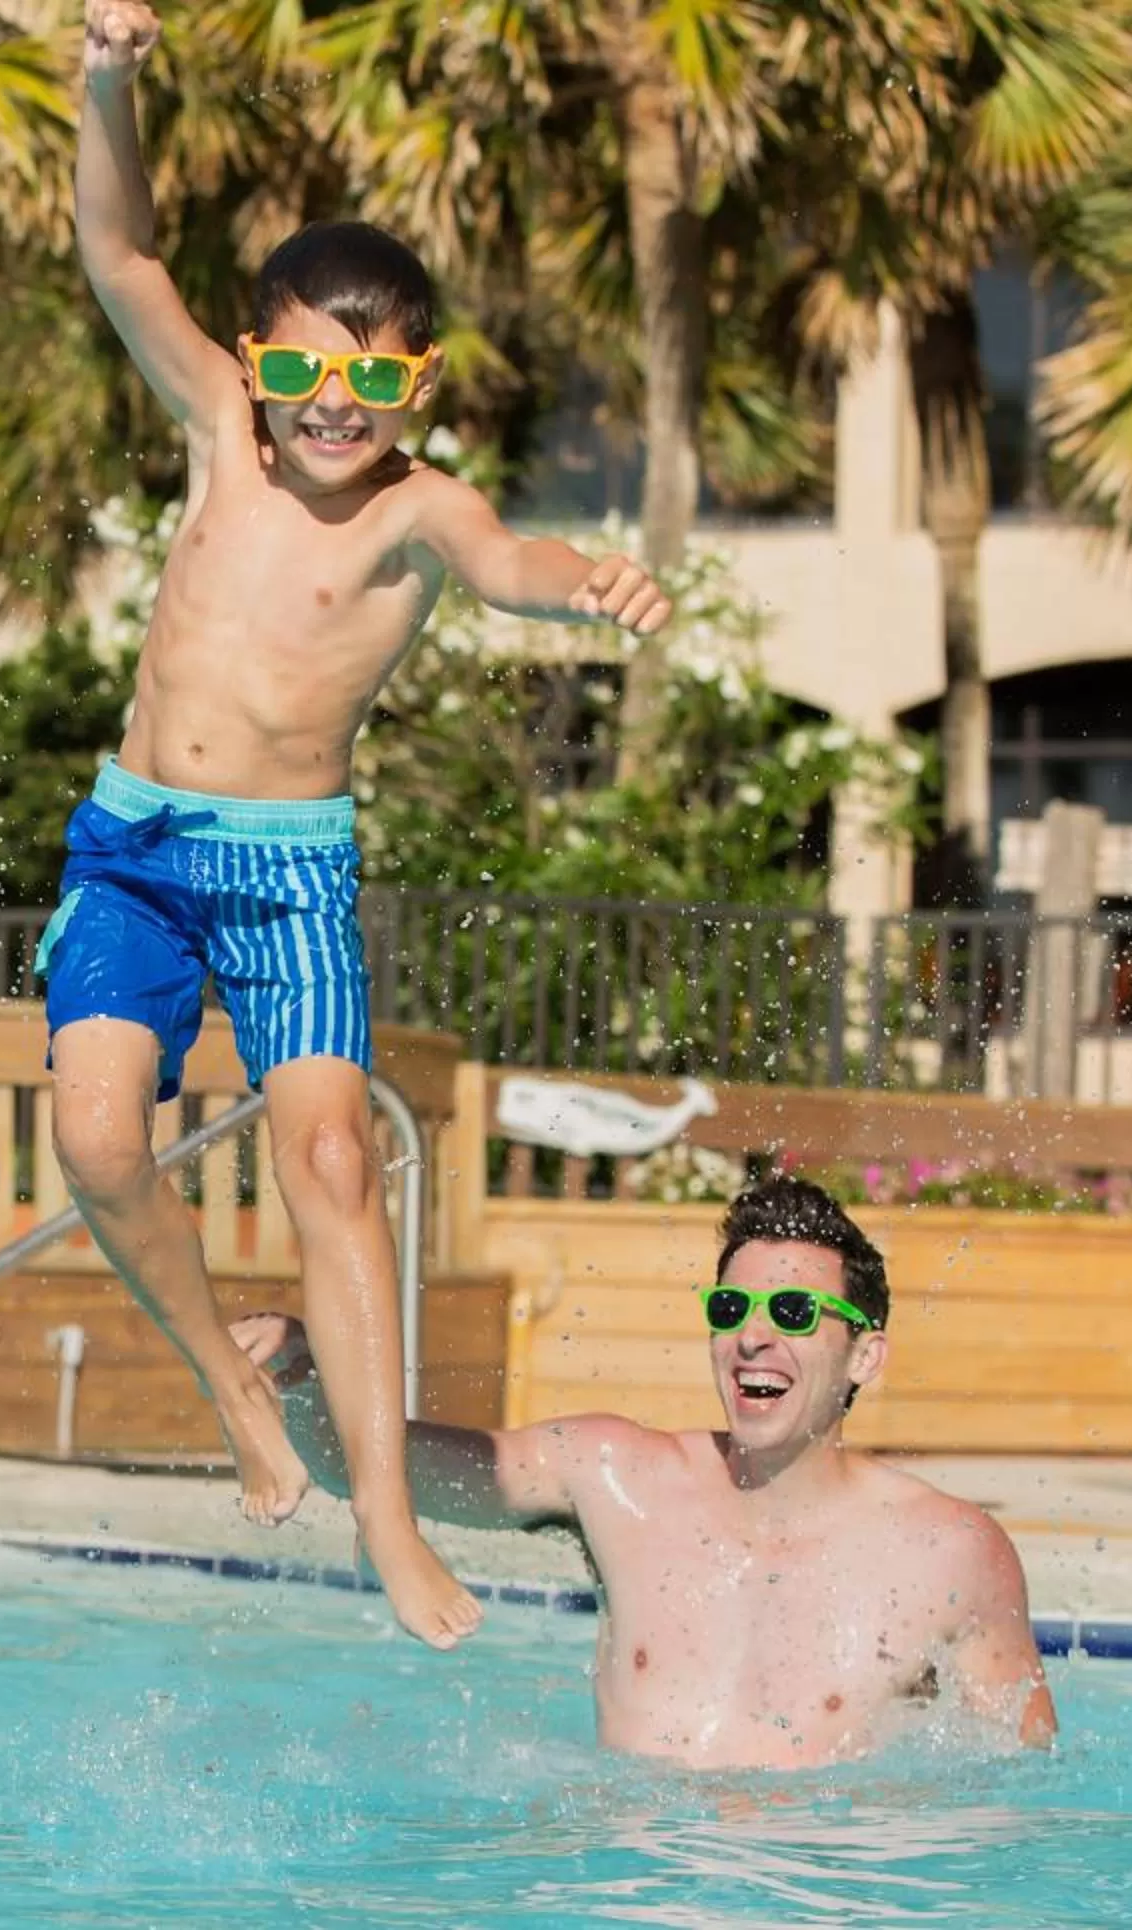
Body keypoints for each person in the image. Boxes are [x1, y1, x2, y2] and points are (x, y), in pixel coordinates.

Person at [52, 0, 671, 1650]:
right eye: (306, 370)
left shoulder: (423, 511)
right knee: (100, 1140)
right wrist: (107, 78)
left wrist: (586, 585)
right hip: (136, 848)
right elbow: (118, 255)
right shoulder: (217, 440)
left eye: (373, 376)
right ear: (259, 365)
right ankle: (236, 1394)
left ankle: (392, 1522)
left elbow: (515, 567)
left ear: (422, 383)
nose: (335, 403)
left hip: (290, 874)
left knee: (333, 1159)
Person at [232, 1176, 1060, 1768]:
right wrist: (306, 1375)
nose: (753, 1338)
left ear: (865, 1356)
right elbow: (359, 1469)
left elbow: (1017, 1799)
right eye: (730, 1310)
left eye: (796, 1313)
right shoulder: (611, 1474)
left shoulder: (950, 1553)